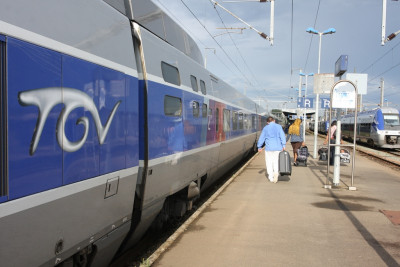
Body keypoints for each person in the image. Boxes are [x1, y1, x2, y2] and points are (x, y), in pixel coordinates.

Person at [257, 116, 286, 183]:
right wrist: (283, 145)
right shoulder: (279, 127)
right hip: (278, 148)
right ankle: (276, 173)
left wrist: (259, 147)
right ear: (274, 120)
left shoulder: (265, 128)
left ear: (267, 122)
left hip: (269, 148)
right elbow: (282, 136)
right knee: (276, 161)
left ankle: (271, 177)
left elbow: (262, 138)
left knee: (269, 162)